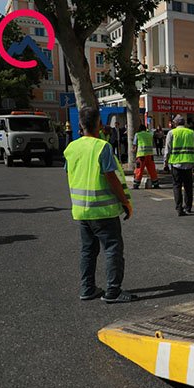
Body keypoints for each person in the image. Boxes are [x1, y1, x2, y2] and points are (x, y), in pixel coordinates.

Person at [63, 106, 136, 303]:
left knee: (88, 250)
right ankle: (113, 291)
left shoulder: (71, 148)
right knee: (112, 248)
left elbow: (69, 173)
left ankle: (87, 289)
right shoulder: (102, 147)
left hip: (82, 211)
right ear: (100, 124)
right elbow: (111, 177)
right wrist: (125, 202)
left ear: (80, 125)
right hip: (103, 211)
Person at [164, 114, 194, 216]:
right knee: (188, 187)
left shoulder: (172, 133)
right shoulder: (191, 132)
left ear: (175, 123)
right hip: (188, 164)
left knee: (177, 186)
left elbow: (167, 150)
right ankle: (188, 207)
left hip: (176, 164)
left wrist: (165, 163)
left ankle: (179, 208)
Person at [132, 124, 160, 189]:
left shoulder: (137, 134)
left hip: (141, 155)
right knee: (152, 170)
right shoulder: (150, 134)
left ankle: (136, 184)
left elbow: (134, 146)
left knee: (139, 170)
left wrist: (133, 151)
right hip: (150, 155)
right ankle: (155, 183)